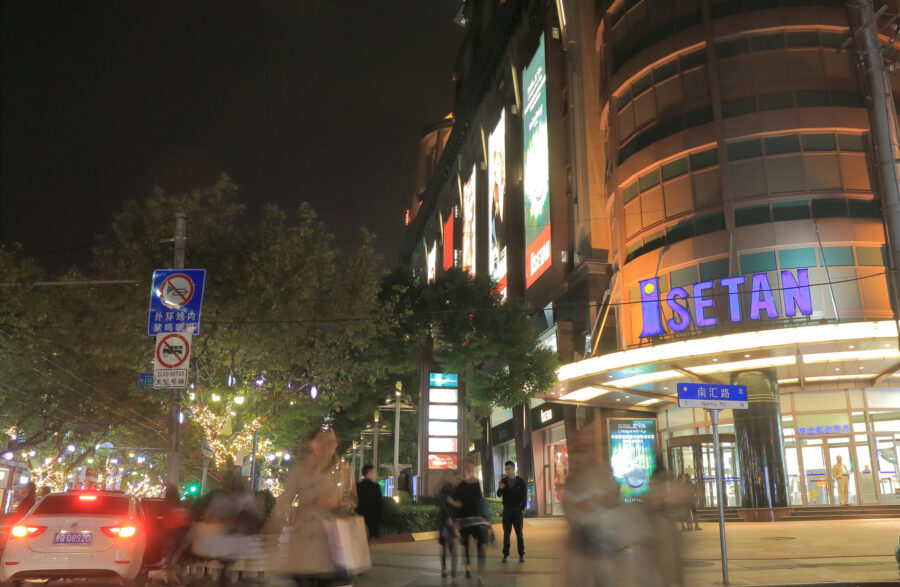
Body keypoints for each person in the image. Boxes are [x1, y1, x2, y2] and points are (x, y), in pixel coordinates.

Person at [269, 427, 359, 587]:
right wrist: (273, 529)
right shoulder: (300, 470)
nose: (326, 446)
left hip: (333, 543)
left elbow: (352, 500)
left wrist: (337, 503)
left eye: (330, 442)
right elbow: (285, 499)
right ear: (312, 444)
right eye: (321, 441)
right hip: (305, 542)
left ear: (336, 445)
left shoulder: (344, 471)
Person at [453, 464, 488, 583]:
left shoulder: (477, 483)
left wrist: (484, 518)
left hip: (476, 520)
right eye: (468, 468)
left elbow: (480, 501)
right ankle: (467, 569)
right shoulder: (460, 486)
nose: (469, 470)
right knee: (466, 545)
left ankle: (480, 573)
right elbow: (457, 505)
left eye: (471, 468)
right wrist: (456, 521)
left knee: (481, 544)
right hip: (464, 520)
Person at [497, 460, 526, 563]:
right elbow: (499, 494)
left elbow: (524, 496)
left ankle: (521, 555)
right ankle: (505, 554)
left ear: (514, 469)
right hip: (507, 511)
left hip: (517, 511)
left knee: (519, 533)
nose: (508, 471)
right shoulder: (503, 481)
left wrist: (522, 509)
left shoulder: (520, 481)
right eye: (506, 469)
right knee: (506, 534)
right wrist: (500, 489)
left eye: (509, 469)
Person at [437, 471, 460, 578]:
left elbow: (457, 506)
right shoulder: (444, 490)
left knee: (450, 546)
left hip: (451, 521)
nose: (454, 479)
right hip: (445, 521)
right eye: (453, 477)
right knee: (445, 546)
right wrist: (448, 518)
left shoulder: (455, 490)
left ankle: (452, 570)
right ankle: (444, 569)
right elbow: (443, 505)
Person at [355, 464, 382, 540]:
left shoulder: (357, 486)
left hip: (360, 517)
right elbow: (379, 504)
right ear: (369, 473)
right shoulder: (376, 487)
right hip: (373, 518)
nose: (375, 475)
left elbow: (354, 501)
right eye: (373, 472)